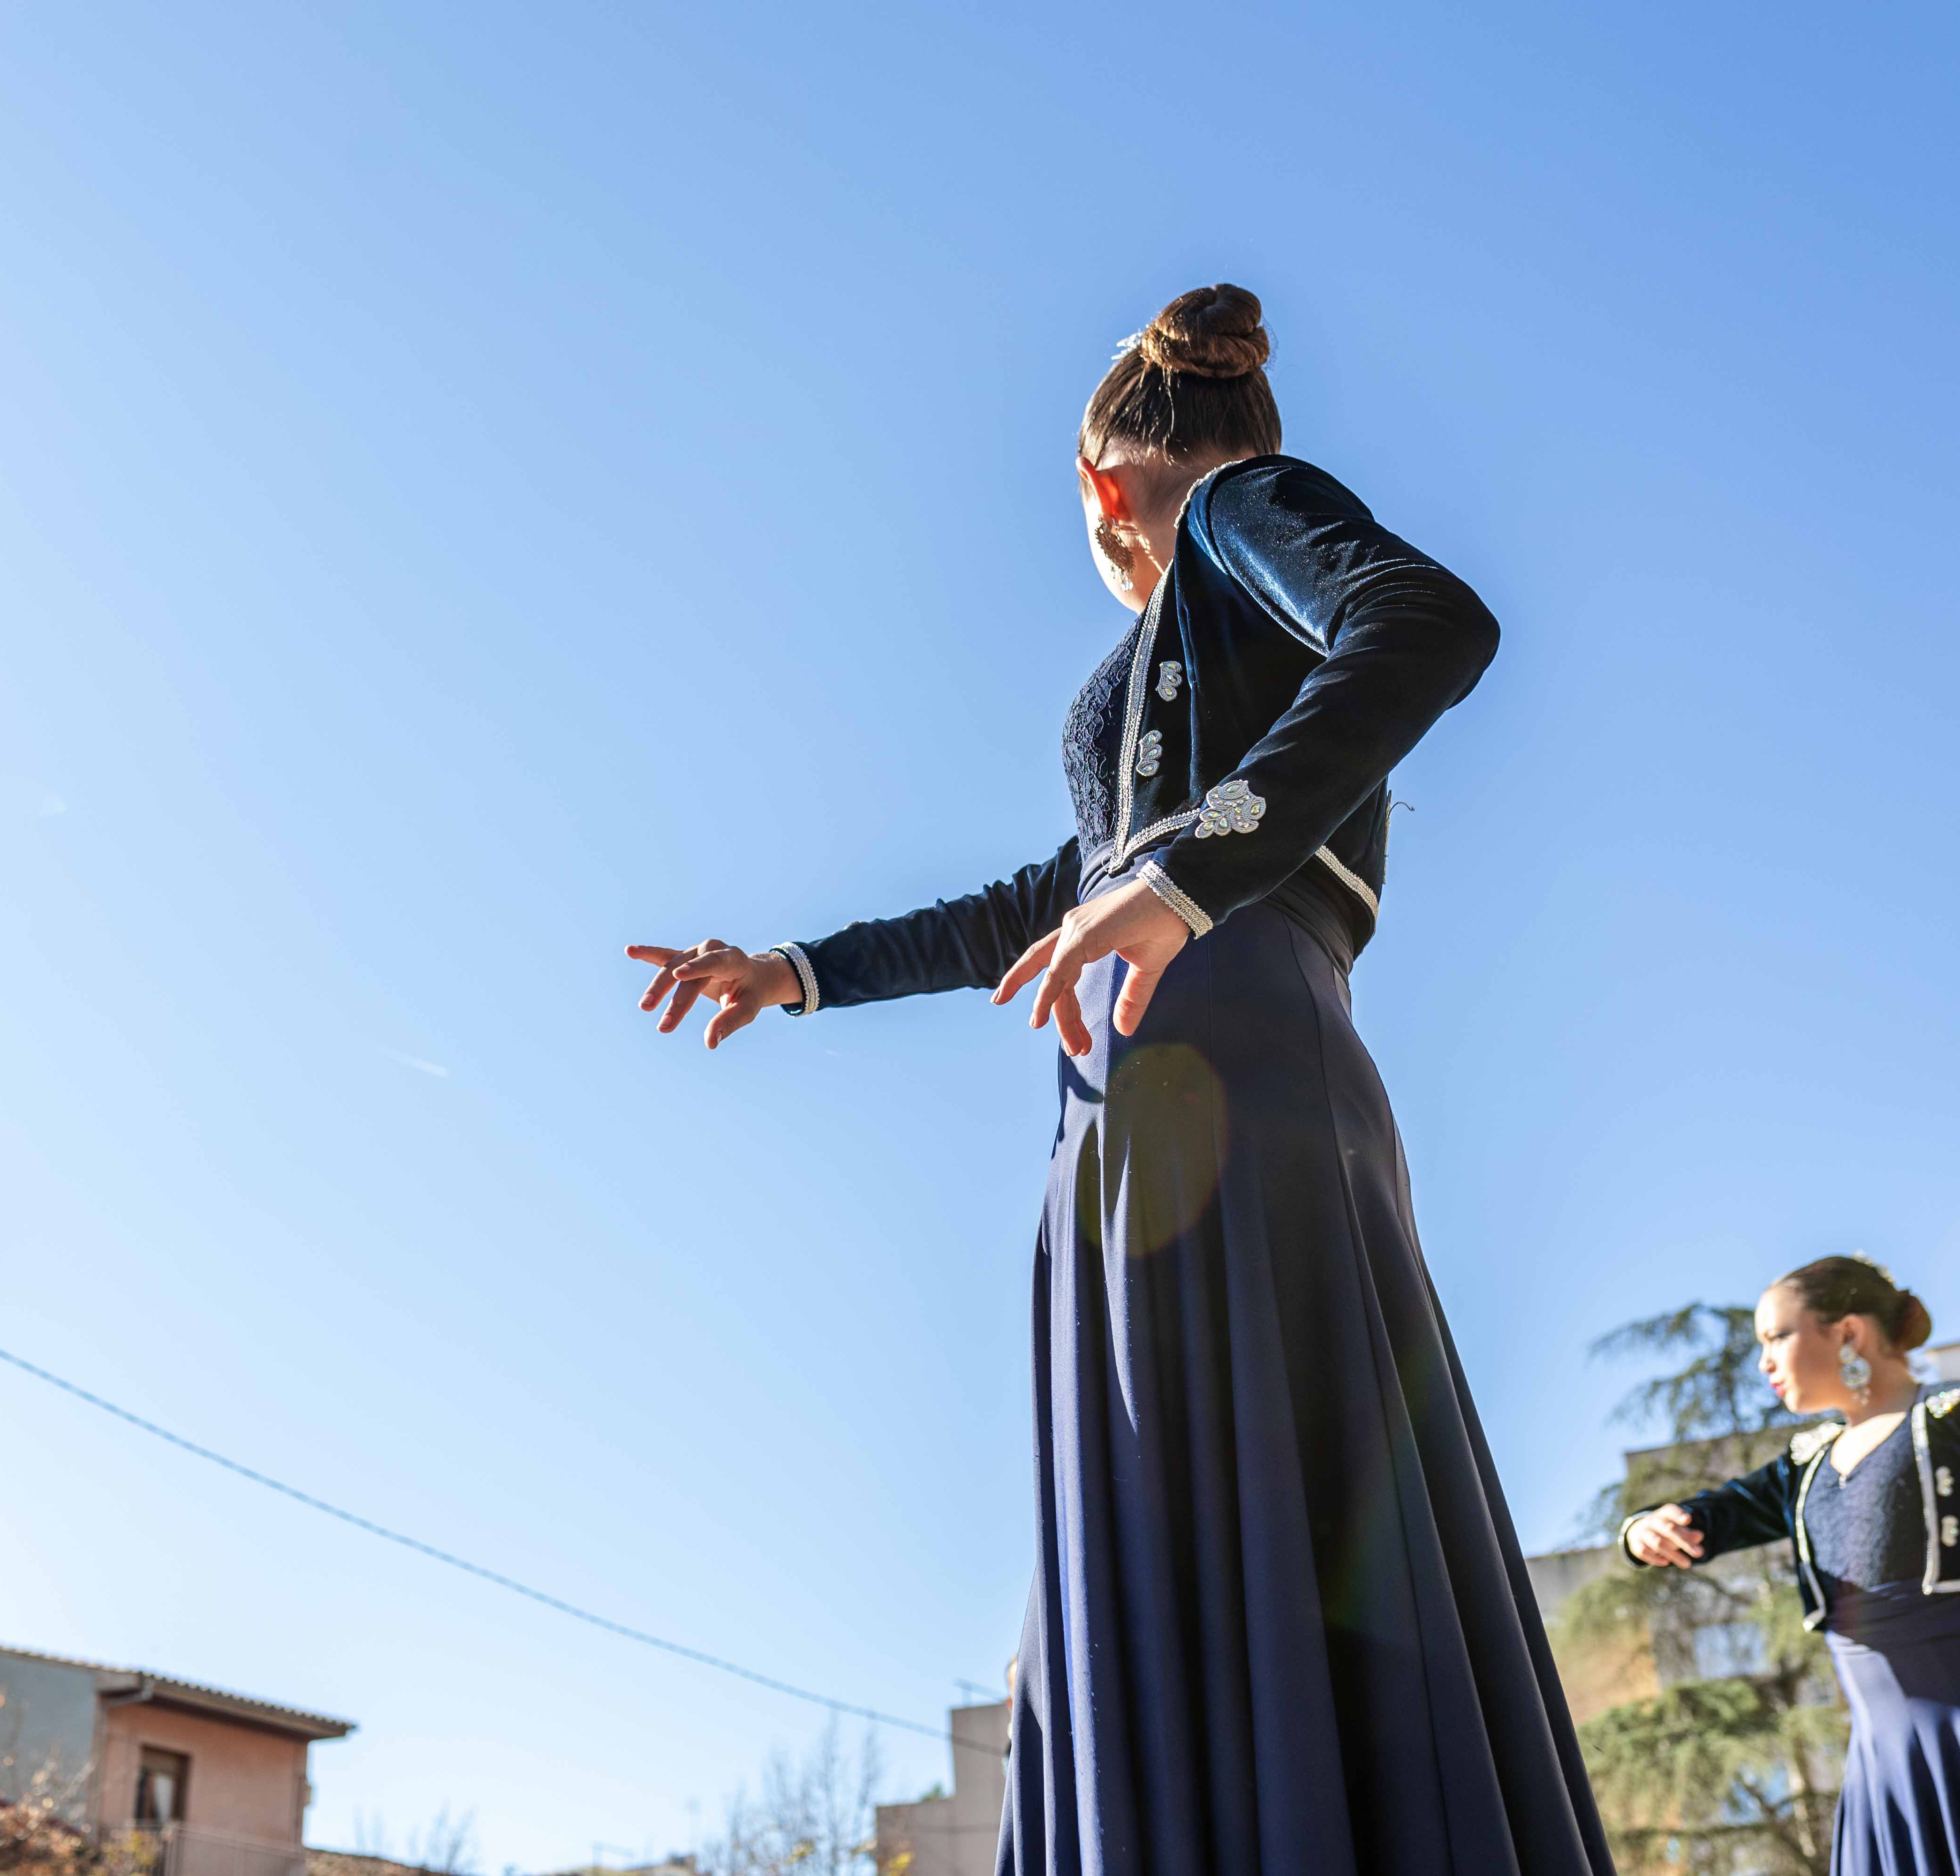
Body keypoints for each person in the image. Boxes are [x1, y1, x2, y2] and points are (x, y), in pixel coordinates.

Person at [627, 285, 1610, 1873]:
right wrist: (799, 970)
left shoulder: (1228, 514)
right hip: (1165, 1088)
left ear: (1102, 483)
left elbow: (1432, 623)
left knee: (1229, 1530)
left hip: (1214, 1069)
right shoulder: (1195, 668)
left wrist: (1196, 874)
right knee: (1221, 1534)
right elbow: (1055, 894)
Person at [1626, 1256, 1960, 1876]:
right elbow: (1715, 1514)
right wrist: (1647, 1526)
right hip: (1880, 1765)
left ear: (1848, 1333)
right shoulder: (1804, 1465)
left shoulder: (1947, 1420)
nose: (1765, 1362)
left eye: (1777, 1335)